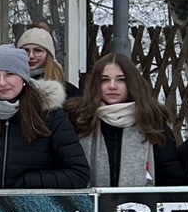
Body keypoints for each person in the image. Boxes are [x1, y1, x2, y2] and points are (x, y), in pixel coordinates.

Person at [0, 45, 90, 189]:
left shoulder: (50, 116)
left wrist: (28, 183)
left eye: (10, 74)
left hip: (35, 208)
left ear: (23, 78)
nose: (2, 82)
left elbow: (79, 174)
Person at [68, 54, 176, 187]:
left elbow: (170, 176)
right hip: (88, 205)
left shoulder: (152, 120)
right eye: (104, 80)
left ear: (132, 83)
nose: (112, 86)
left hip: (141, 206)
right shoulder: (79, 118)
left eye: (121, 80)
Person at [18, 26, 81, 100]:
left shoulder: (69, 92)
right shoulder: (9, 87)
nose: (31, 56)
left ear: (48, 55)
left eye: (38, 50)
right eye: (26, 50)